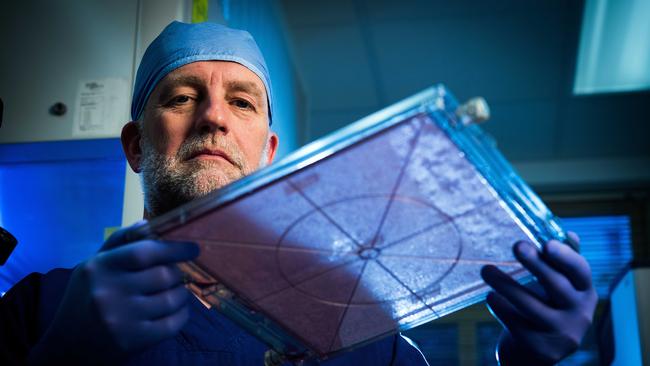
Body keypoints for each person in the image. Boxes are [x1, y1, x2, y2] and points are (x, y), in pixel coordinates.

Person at [0, 21, 597, 365]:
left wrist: (524, 362)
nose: (214, 118)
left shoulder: (362, 335)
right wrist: (61, 358)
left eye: (241, 102)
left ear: (268, 153)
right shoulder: (43, 310)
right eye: (182, 97)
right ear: (135, 146)